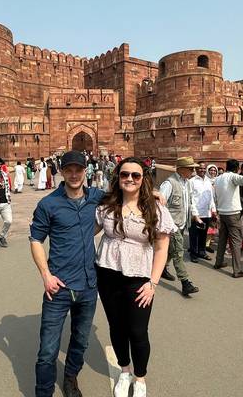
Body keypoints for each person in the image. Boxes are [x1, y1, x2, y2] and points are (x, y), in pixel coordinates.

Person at [95, 157, 175, 397]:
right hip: (107, 274)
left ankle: (140, 378)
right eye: (124, 174)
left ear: (143, 179)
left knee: (138, 331)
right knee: (116, 327)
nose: (129, 179)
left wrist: (153, 283)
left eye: (135, 175)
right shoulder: (107, 205)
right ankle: (125, 371)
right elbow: (86, 230)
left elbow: (161, 248)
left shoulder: (155, 208)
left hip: (139, 277)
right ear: (117, 177)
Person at [30, 150, 105, 397]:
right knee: (48, 350)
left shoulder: (95, 196)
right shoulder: (49, 204)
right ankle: (43, 392)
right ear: (61, 172)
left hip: (88, 284)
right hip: (58, 287)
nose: (74, 175)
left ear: (86, 171)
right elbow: (36, 240)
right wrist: (46, 275)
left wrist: (154, 193)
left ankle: (71, 377)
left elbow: (127, 194)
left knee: (81, 341)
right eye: (69, 170)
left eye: (78, 170)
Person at [158, 156, 200, 296]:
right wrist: (167, 224)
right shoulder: (169, 183)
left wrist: (195, 215)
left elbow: (190, 202)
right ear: (181, 169)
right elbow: (160, 205)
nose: (193, 171)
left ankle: (161, 268)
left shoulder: (186, 183)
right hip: (172, 225)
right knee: (178, 252)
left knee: (172, 250)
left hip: (182, 223)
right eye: (190, 168)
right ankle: (185, 282)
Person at [188, 162, 216, 263]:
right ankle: (193, 253)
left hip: (206, 212)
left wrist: (213, 210)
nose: (202, 170)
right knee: (194, 235)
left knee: (203, 234)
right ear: (196, 169)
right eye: (200, 168)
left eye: (204, 168)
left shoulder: (208, 181)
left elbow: (211, 197)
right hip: (196, 213)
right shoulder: (191, 181)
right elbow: (190, 199)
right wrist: (194, 213)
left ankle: (202, 252)